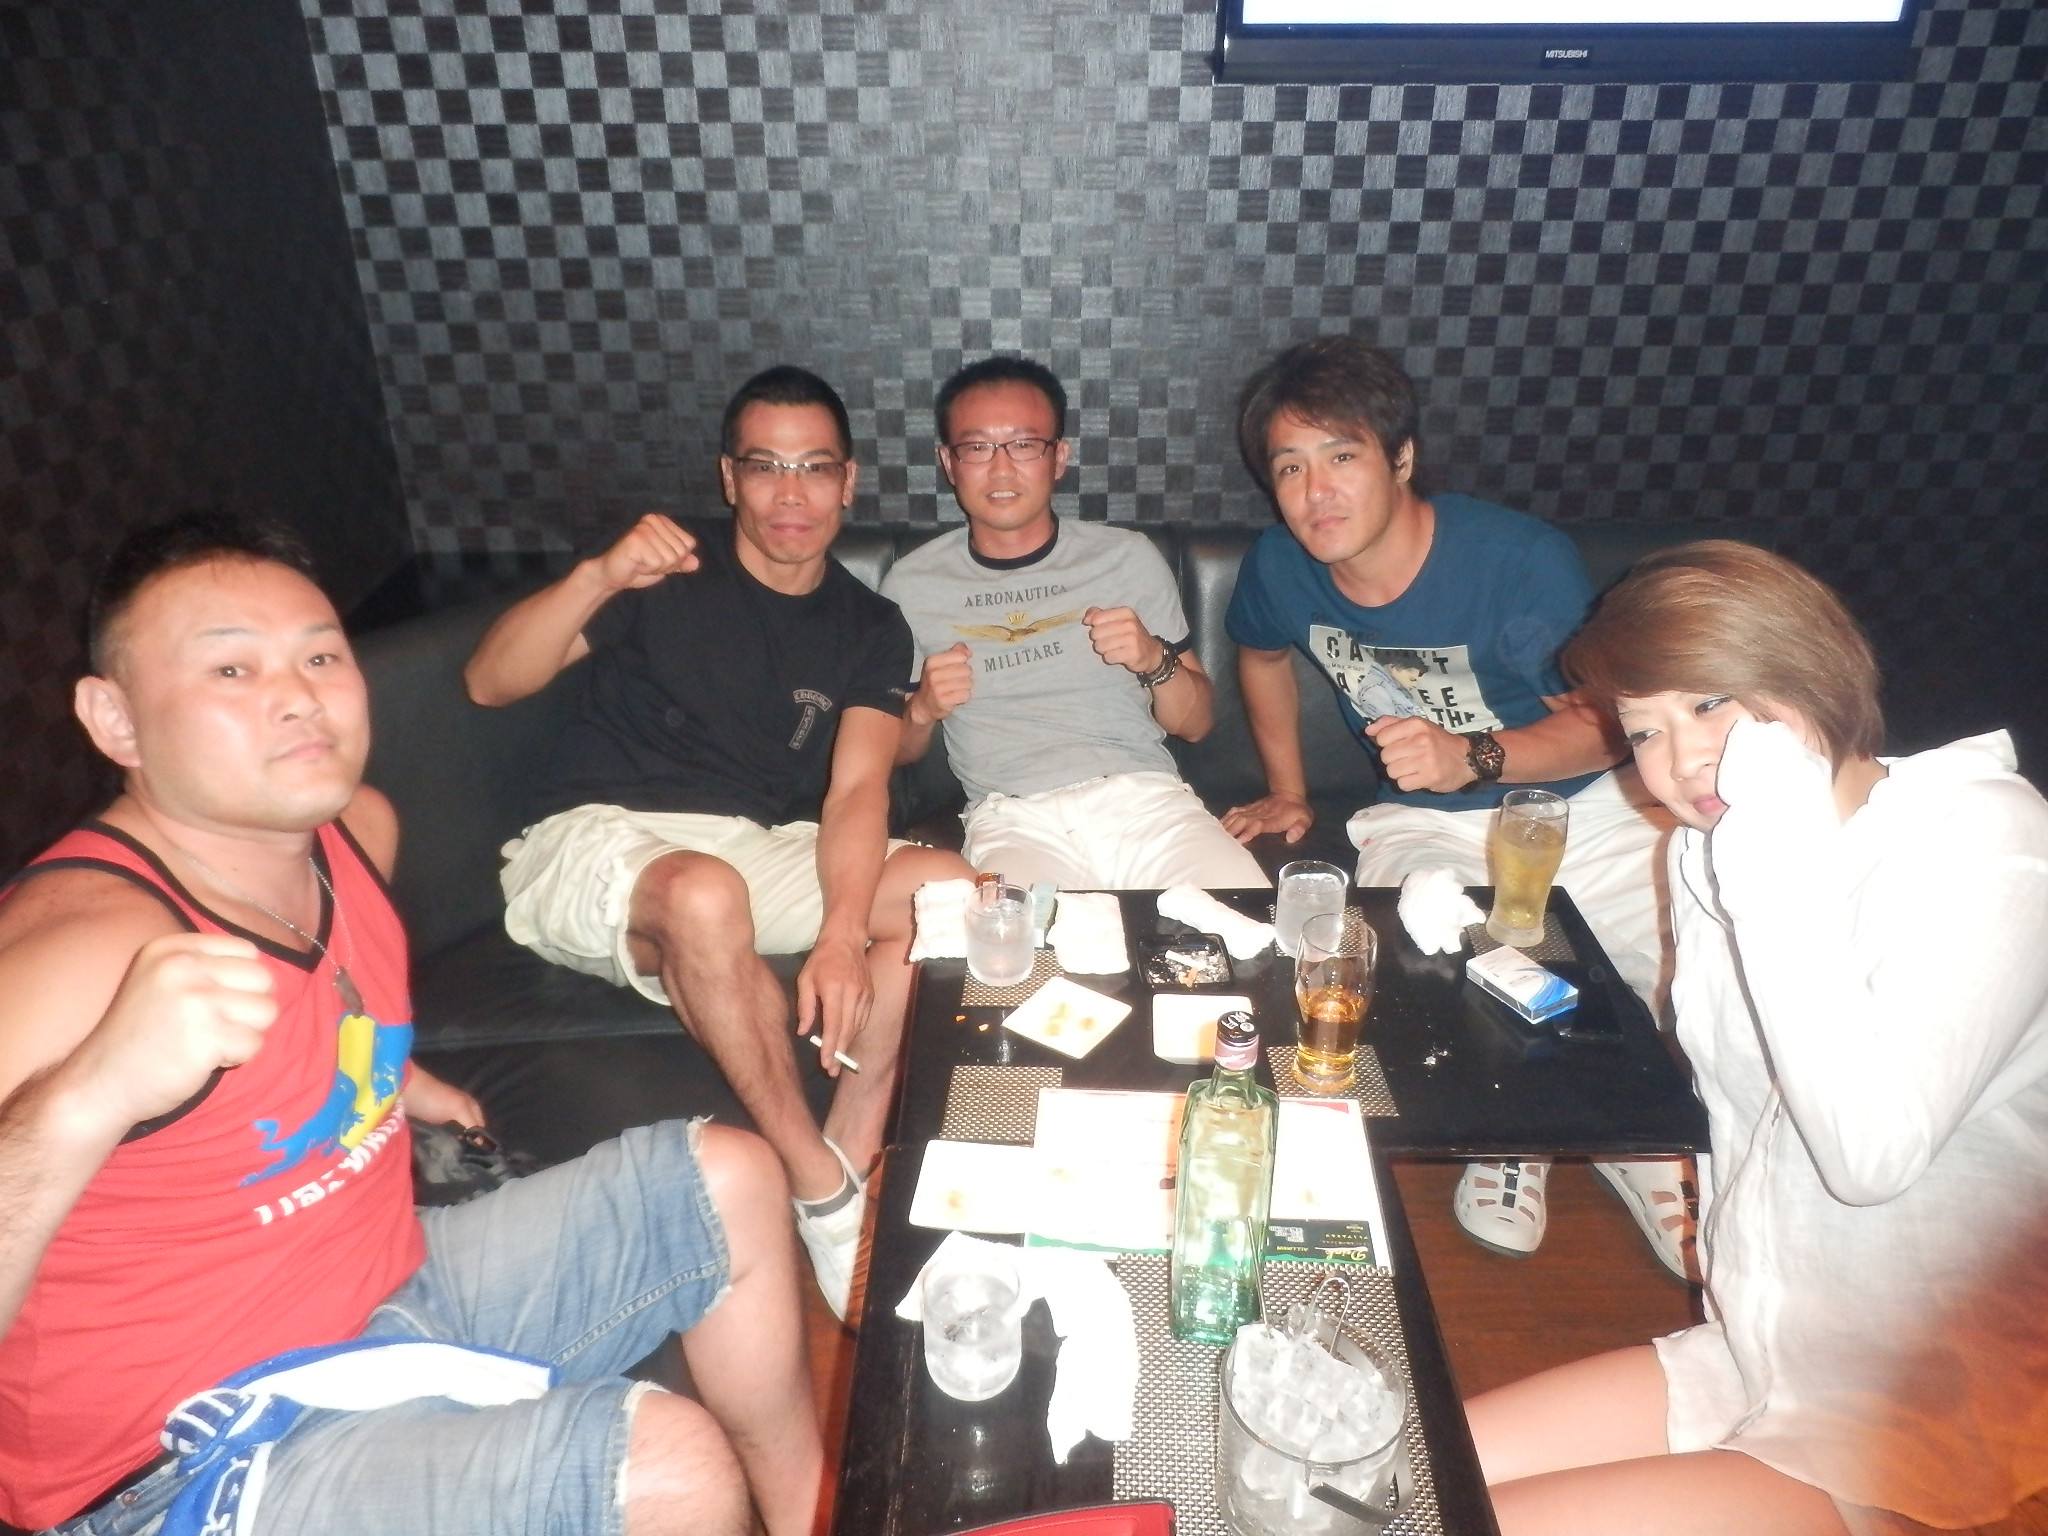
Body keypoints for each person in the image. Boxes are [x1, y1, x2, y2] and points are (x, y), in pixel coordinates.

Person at [0, 514, 822, 1536]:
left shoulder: (352, 834)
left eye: (319, 657)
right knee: (664, 1471)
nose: (297, 696)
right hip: (181, 1459)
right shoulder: (78, 951)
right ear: (116, 719)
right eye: (232, 670)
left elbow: (316, 1012)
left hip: (380, 1294)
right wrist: (87, 1096)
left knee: (728, 1180)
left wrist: (394, 1078)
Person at [1468, 540, 2048, 1536]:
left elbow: (1868, 1155)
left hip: (1916, 1402)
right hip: (1754, 1349)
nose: (1682, 760)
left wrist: (1772, 861)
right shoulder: (1706, 852)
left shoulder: (1987, 842)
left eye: (1710, 703)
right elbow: (1742, 1109)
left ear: (1808, 671)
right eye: (1643, 731)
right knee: (1395, 1471)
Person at [464, 365, 969, 1319]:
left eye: (815, 467)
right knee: (704, 893)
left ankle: (850, 1149)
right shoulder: (664, 570)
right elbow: (490, 682)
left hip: (750, 845)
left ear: (850, 481)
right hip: (596, 837)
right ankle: (817, 1188)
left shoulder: (870, 625)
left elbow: (858, 787)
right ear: (729, 477)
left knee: (952, 894)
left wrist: (841, 933)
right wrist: (598, 574)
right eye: (766, 466)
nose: (792, 494)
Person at [1220, 335, 1692, 1273]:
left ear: (1401, 458)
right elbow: (1260, 653)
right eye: (1291, 467)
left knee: (1677, 969)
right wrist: (1287, 789)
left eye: (1342, 456)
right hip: (1420, 818)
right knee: (1450, 953)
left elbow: (1606, 726)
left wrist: (1469, 755)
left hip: (1587, 802)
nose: (1316, 493)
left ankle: (1641, 1139)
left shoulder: (1515, 561)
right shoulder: (1281, 566)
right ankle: (1517, 1130)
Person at [880, 355, 1269, 890]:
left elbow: (1196, 723)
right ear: (949, 463)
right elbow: (890, 750)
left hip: (1147, 803)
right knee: (1021, 943)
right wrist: (923, 708)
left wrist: (1153, 659)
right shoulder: (910, 584)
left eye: (1024, 445)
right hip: (1011, 818)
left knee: (1244, 924)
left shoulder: (1127, 557)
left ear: (1058, 457)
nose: (1001, 469)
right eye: (977, 448)